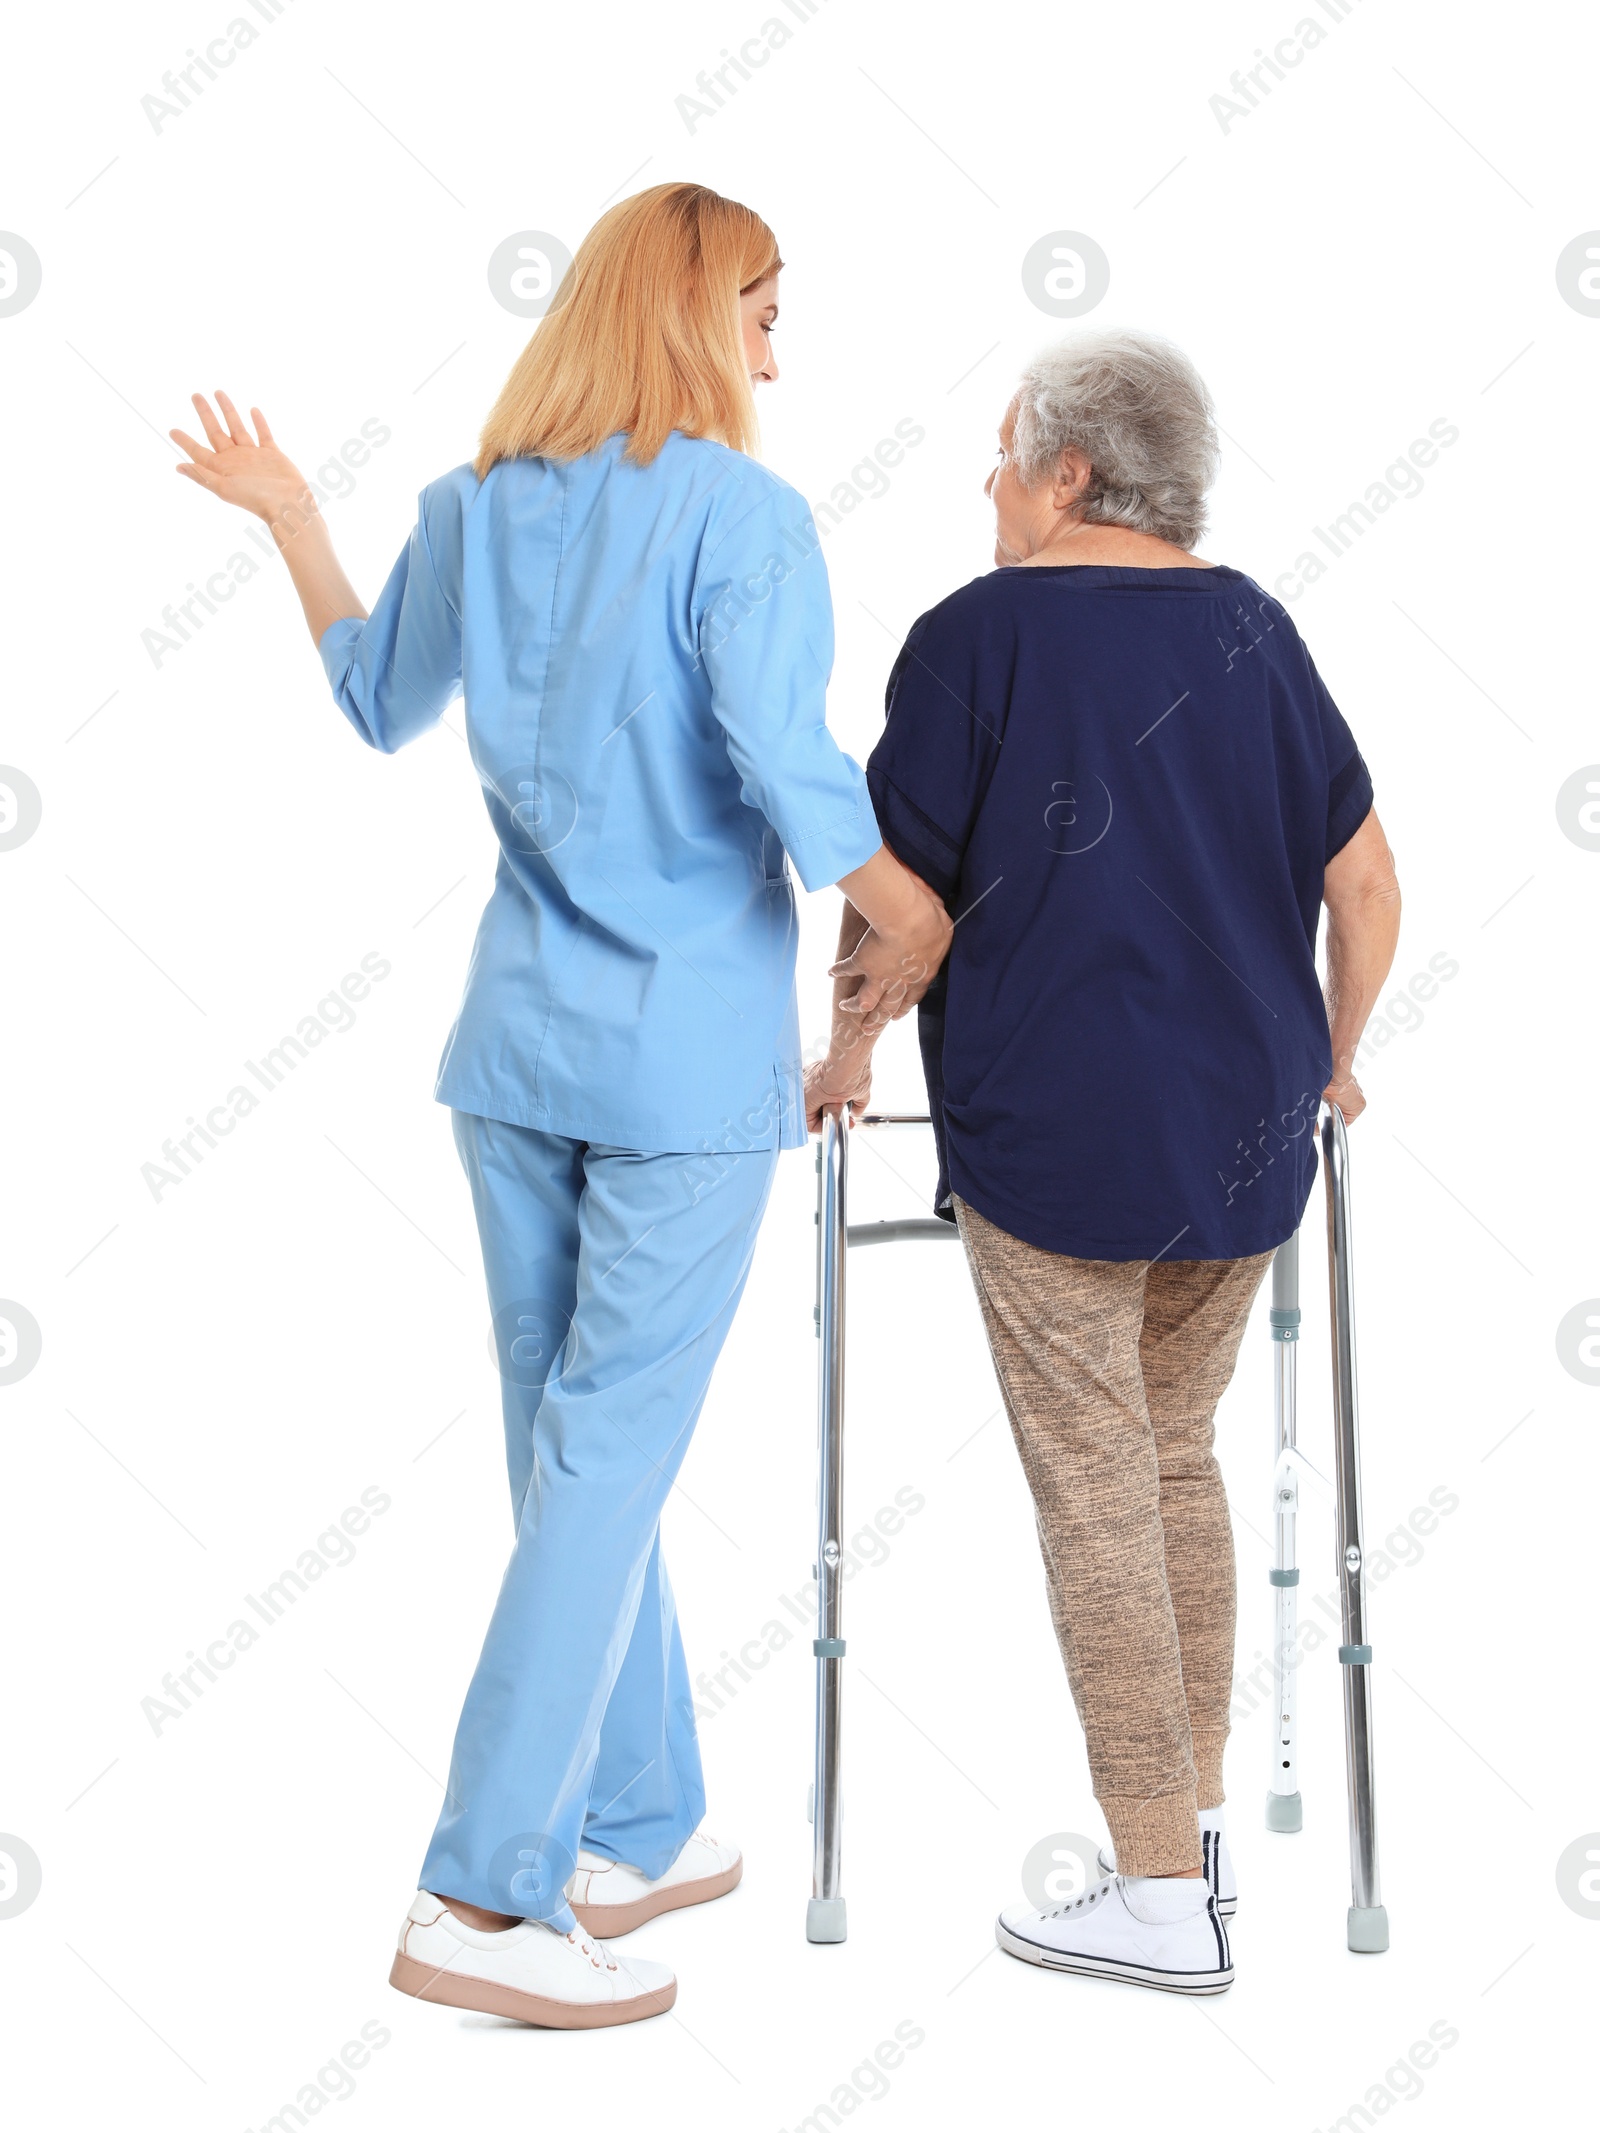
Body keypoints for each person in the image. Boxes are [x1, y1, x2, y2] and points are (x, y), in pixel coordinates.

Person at [170, 182, 951, 2029]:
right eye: (765, 304)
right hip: (680, 1072)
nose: (781, 341)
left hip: (513, 1060)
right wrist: (909, 900)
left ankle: (643, 1817)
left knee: (575, 1463)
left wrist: (298, 523)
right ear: (693, 312)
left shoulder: (472, 506)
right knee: (599, 1465)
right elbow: (786, 763)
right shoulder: (744, 519)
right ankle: (478, 1896)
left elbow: (377, 701)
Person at [807, 329, 1401, 1995]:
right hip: (1250, 1135)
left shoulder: (975, 635)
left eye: (1004, 455)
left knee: (1097, 1486)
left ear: (1070, 474)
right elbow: (1367, 890)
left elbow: (890, 897)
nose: (987, 485)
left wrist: (844, 1055)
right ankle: (1191, 1850)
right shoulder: (1255, 630)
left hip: (1060, 1133)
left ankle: (1153, 1897)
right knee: (1169, 1466)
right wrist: (1337, 1058)